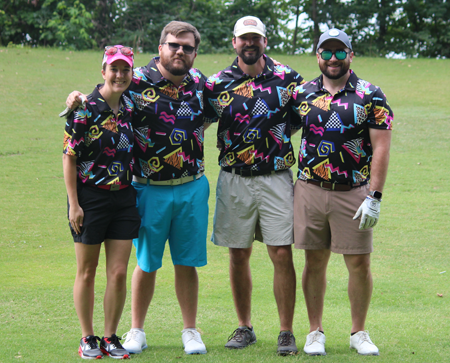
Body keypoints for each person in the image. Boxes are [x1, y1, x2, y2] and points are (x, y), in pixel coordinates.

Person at [65, 21, 209, 355]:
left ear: (194, 53)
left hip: (191, 185)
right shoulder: (136, 79)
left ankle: (190, 330)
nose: (179, 51)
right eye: (173, 45)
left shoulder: (201, 82)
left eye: (187, 47)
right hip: (147, 187)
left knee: (186, 262)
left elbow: (220, 112)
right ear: (161, 47)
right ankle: (136, 330)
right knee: (147, 262)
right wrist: (77, 97)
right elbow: (105, 91)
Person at [203, 16, 304, 355]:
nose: (249, 44)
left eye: (255, 38)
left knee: (280, 252)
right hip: (234, 179)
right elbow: (188, 114)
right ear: (234, 43)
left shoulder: (288, 78)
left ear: (265, 41)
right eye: (243, 38)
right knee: (238, 253)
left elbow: (311, 115)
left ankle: (286, 331)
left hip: (275, 177)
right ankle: (244, 326)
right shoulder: (216, 84)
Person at [291, 28, 393, 356]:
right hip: (309, 188)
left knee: (359, 264)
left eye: (339, 52)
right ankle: (314, 331)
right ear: (317, 55)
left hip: (353, 191)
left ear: (350, 54)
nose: (332, 59)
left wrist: (374, 197)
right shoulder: (302, 93)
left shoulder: (370, 94)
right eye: (326, 52)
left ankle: (358, 332)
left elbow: (381, 149)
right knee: (314, 261)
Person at [62, 45, 140, 359]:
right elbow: (69, 157)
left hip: (123, 196)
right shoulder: (84, 107)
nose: (119, 75)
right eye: (114, 69)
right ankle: (87, 337)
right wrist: (74, 204)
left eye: (125, 70)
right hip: (89, 197)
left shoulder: (132, 106)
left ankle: (110, 336)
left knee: (119, 272)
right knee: (87, 271)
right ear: (103, 71)